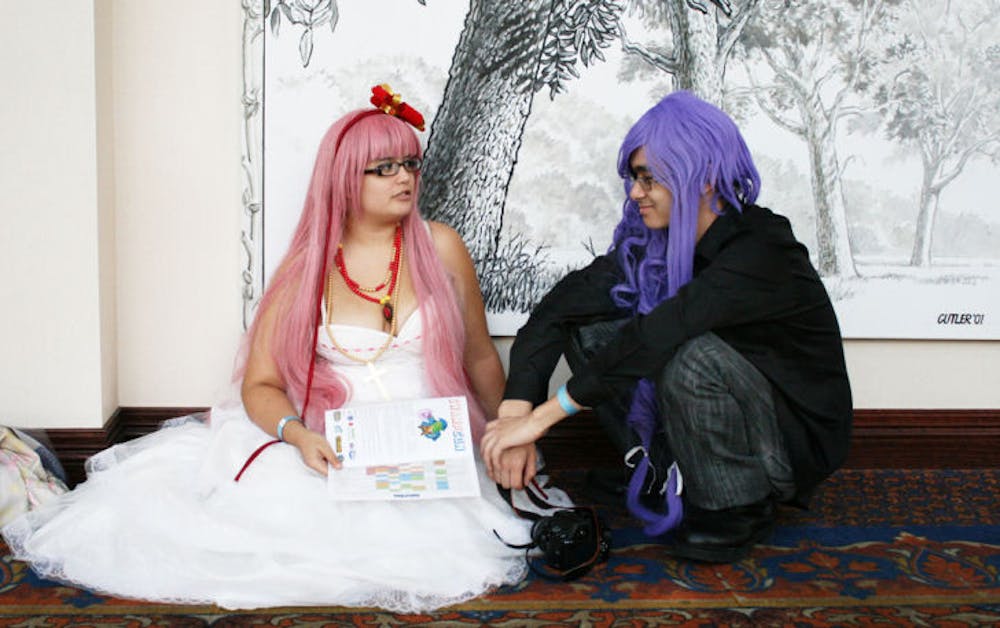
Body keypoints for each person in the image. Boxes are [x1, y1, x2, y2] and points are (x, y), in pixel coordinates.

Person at [3, 87, 540, 611]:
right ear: (343, 179)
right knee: (280, 540)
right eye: (383, 167)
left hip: (428, 440)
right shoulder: (306, 269)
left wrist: (509, 432)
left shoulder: (442, 245)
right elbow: (260, 385)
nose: (404, 177)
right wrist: (299, 435)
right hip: (337, 440)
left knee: (454, 545)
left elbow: (479, 356)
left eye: (410, 164)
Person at [481, 90, 853, 564]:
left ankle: (737, 507)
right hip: (714, 410)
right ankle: (663, 469)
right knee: (592, 331)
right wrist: (516, 416)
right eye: (634, 178)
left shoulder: (761, 247)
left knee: (687, 354)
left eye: (649, 178)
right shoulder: (650, 246)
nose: (635, 193)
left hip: (784, 444)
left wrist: (542, 418)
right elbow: (558, 309)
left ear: (702, 178)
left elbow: (667, 330)